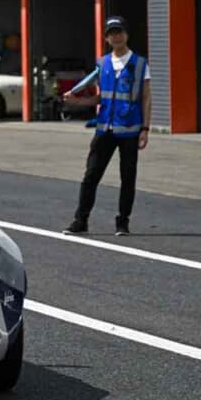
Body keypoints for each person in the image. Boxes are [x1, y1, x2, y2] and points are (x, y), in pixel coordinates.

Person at [64, 16, 152, 237]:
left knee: (128, 178)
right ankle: (80, 220)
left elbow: (146, 97)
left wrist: (145, 129)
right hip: (104, 128)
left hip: (130, 129)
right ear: (106, 38)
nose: (116, 36)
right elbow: (101, 97)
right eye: (112, 33)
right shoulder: (102, 64)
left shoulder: (139, 64)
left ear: (127, 35)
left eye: (119, 31)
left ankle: (123, 222)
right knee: (91, 175)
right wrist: (78, 102)